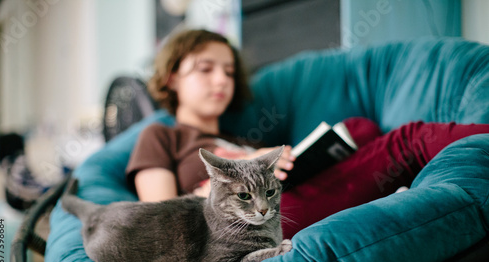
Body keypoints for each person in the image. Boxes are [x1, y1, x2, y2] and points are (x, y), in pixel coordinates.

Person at [126, 29, 489, 239]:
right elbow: (160, 219)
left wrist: (279, 158)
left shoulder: (246, 141)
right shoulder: (161, 136)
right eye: (205, 69)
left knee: (360, 128)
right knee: (410, 140)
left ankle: (386, 194)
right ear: (172, 77)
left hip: (288, 196)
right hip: (246, 224)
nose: (221, 80)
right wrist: (212, 191)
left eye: (228, 72)